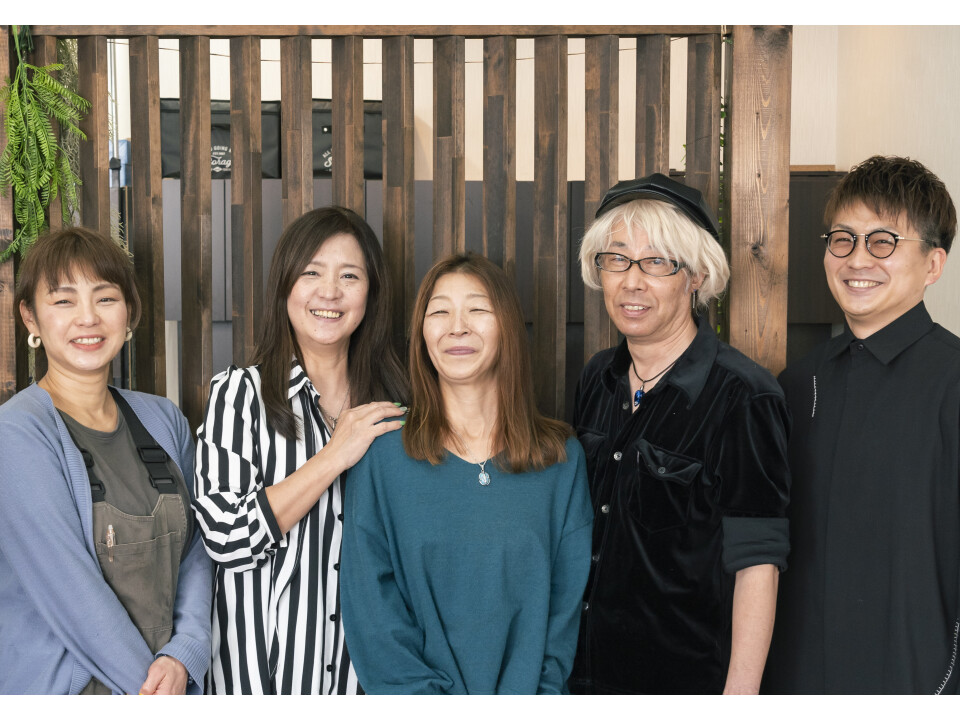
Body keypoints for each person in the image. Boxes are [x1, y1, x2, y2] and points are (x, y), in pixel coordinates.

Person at [568, 173, 791, 694]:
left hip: (684, 681)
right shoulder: (597, 378)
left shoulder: (744, 396)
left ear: (696, 276)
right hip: (583, 676)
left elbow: (757, 564)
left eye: (657, 262)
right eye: (617, 259)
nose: (632, 281)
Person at [340, 253, 593, 694]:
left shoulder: (560, 459)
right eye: (439, 312)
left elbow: (564, 612)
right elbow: (372, 611)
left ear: (507, 326)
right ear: (422, 333)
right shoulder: (382, 454)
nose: (457, 327)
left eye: (477, 309)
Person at [763, 156, 960, 694]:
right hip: (797, 681)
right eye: (842, 239)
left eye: (883, 242)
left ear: (933, 264)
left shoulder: (952, 382)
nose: (856, 258)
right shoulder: (796, 383)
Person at [192, 206, 408, 694]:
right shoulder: (239, 394)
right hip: (258, 683)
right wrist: (333, 456)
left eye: (349, 276)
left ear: (371, 292)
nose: (329, 292)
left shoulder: (395, 411)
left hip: (364, 682)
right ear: (285, 284)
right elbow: (226, 535)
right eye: (311, 272)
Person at [0, 227, 213, 694]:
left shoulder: (163, 420)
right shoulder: (16, 434)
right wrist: (154, 697)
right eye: (63, 301)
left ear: (129, 311)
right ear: (30, 317)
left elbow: (197, 548)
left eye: (106, 298)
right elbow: (72, 594)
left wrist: (185, 652)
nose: (88, 318)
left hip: (168, 684)